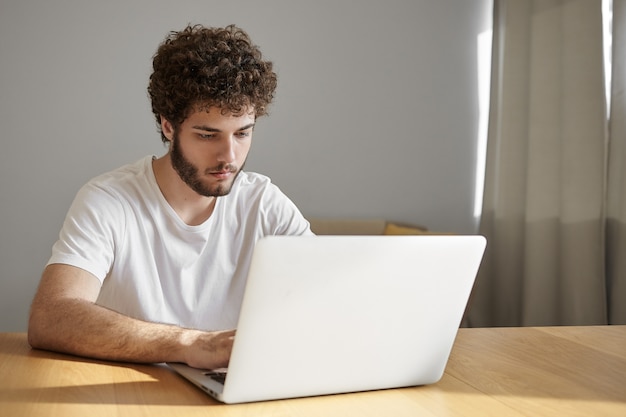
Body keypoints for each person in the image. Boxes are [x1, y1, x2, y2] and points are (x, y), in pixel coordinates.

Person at [27, 24, 313, 370]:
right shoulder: (108, 201)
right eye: (208, 135)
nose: (230, 156)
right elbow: (51, 316)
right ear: (167, 126)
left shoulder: (265, 204)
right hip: (128, 396)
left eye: (243, 133)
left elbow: (333, 298)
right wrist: (190, 343)